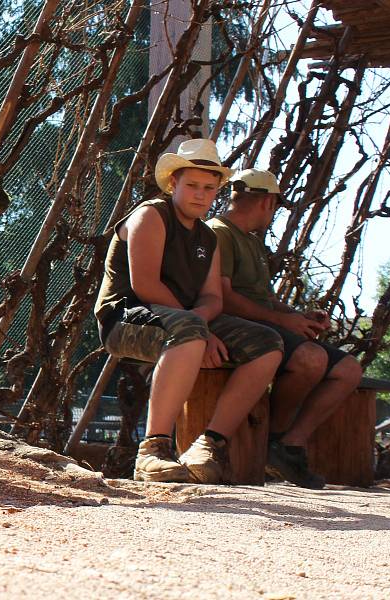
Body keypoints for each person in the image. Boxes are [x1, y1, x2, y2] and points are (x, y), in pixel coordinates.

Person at [94, 140, 283, 484]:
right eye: (192, 185)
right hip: (125, 318)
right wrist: (201, 329)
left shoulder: (208, 238)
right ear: (173, 184)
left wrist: (202, 325)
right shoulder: (151, 214)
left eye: (209, 188)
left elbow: (213, 298)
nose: (200, 194)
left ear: (217, 192)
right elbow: (146, 285)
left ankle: (209, 444)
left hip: (185, 323)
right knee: (189, 332)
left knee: (267, 343)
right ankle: (153, 451)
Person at [207, 168, 363, 489]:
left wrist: (299, 316)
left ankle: (287, 444)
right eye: (276, 205)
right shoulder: (218, 232)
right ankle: (270, 439)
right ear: (267, 202)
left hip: (269, 327)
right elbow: (223, 298)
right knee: (311, 360)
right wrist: (283, 321)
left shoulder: (252, 242)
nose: (275, 212)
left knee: (349, 369)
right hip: (240, 329)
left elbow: (266, 299)